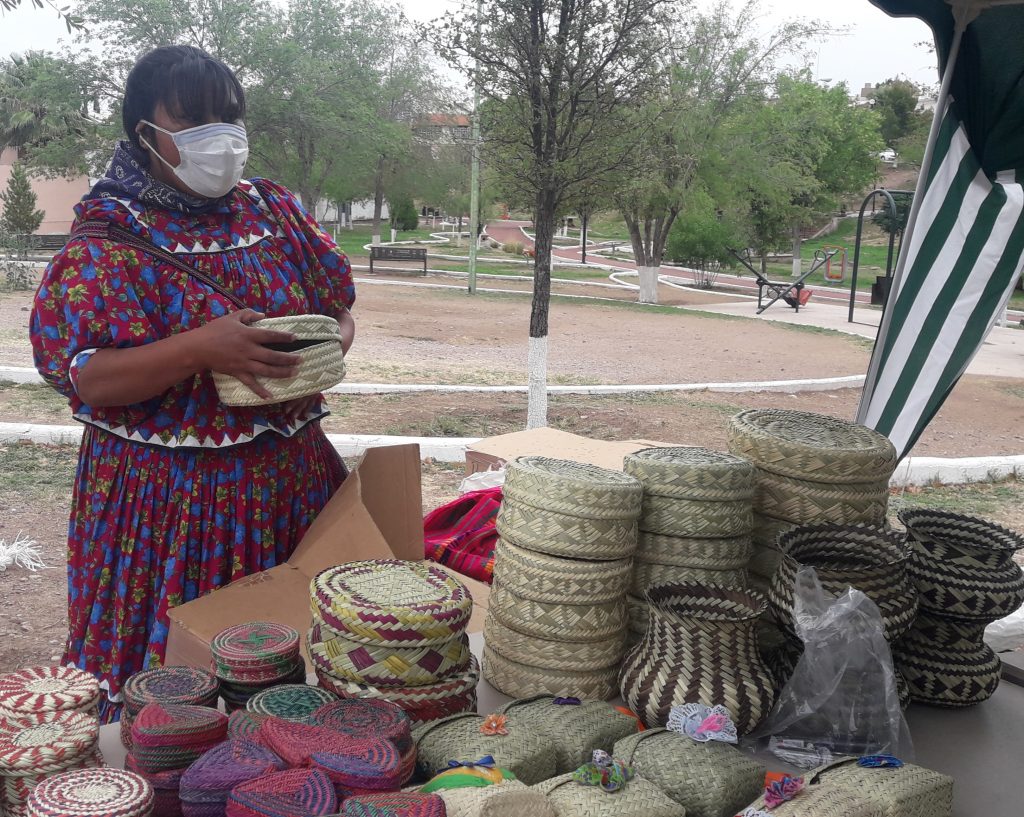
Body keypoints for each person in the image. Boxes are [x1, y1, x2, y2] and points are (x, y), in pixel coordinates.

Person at [30, 45, 355, 719]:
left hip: (291, 490)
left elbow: (338, 304)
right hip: (167, 516)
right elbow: (88, 377)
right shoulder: (108, 240)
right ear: (144, 133)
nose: (222, 136)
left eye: (229, 117)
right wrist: (202, 348)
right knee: (176, 700)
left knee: (290, 683)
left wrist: (319, 349)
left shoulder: (274, 211)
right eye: (196, 120)